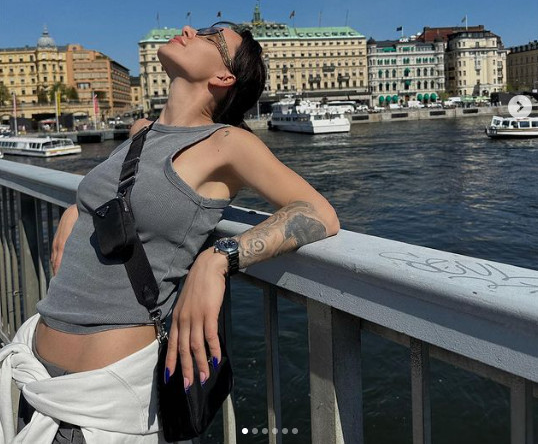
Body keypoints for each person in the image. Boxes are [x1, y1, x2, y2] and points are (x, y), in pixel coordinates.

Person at [1, 23, 340, 443]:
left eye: (210, 37)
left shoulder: (226, 143)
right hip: (28, 376)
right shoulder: (140, 132)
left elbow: (320, 213)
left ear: (224, 76)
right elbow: (124, 194)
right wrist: (80, 208)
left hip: (94, 407)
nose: (189, 29)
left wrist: (219, 258)